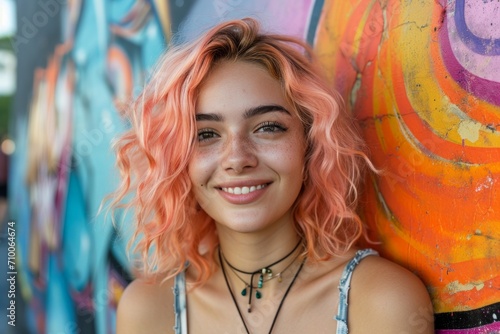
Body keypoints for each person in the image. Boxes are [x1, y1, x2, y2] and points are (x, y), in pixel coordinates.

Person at [112, 18, 433, 334]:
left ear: (310, 143)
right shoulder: (149, 309)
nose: (237, 159)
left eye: (268, 127)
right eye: (206, 134)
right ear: (177, 158)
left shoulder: (380, 300)